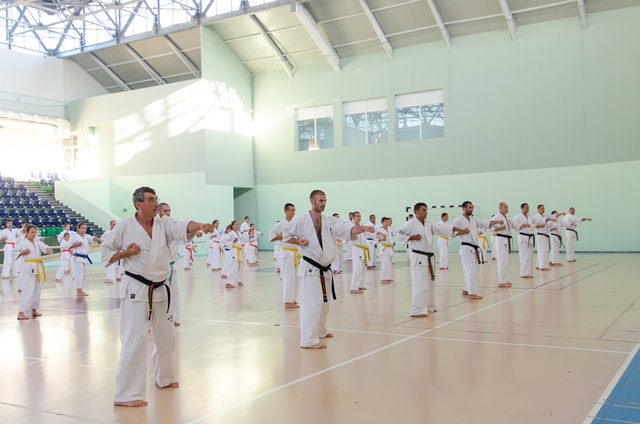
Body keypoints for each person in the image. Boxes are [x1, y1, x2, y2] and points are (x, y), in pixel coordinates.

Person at [100, 186, 213, 407]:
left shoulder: (163, 223)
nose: (155, 204)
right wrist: (127, 253)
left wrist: (200, 225)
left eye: (156, 200)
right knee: (135, 340)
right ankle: (126, 394)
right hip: (136, 288)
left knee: (166, 337)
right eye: (151, 200)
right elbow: (105, 252)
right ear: (138, 204)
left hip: (161, 287)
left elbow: (182, 227)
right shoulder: (124, 226)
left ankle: (165, 377)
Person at [284, 190, 373, 349]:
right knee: (313, 303)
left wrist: (363, 228)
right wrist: (298, 242)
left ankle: (320, 331)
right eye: (320, 201)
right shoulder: (301, 220)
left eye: (325, 201)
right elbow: (286, 235)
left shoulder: (330, 221)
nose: (323, 204)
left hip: (325, 268)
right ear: (312, 201)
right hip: (310, 267)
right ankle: (308, 340)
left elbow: (348, 230)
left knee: (325, 303)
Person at [397, 203, 454, 316]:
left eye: (426, 210)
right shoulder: (410, 223)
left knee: (430, 284)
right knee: (420, 284)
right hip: (418, 256)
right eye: (423, 210)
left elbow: (441, 229)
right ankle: (417, 310)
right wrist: (412, 237)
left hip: (429, 256)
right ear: (416, 212)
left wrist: (456, 230)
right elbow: (399, 236)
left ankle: (429, 307)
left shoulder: (429, 224)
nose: (426, 212)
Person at [451, 201, 502, 300]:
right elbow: (451, 232)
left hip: (473, 247)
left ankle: (466, 289)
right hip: (466, 248)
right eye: (469, 208)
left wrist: (497, 221)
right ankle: (472, 293)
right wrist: (463, 231)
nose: (471, 209)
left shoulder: (473, 219)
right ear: (464, 208)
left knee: (470, 270)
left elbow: (485, 223)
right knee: (472, 271)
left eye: (472, 208)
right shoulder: (458, 220)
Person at [14, 224, 53, 320]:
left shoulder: (37, 241)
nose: (34, 234)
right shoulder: (22, 243)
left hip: (37, 266)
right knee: (27, 290)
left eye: (35, 232)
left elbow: (44, 246)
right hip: (28, 267)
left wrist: (48, 249)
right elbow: (13, 252)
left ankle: (34, 309)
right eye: (32, 232)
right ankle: (21, 312)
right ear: (26, 232)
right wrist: (22, 253)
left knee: (37, 290)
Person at [157, 202, 186, 327]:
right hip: (157, 267)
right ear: (158, 212)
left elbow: (183, 237)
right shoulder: (154, 227)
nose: (168, 213)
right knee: (156, 295)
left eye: (169, 211)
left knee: (174, 293)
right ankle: (151, 322)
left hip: (172, 266)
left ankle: (174, 317)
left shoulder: (175, 225)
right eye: (165, 211)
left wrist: (195, 232)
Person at [269, 203, 300, 308]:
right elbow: (271, 237)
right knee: (288, 277)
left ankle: (293, 299)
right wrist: (283, 237)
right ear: (286, 211)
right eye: (291, 210)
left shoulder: (296, 223)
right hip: (287, 253)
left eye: (294, 210)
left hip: (296, 253)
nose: (293, 212)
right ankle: (287, 301)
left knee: (295, 278)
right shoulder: (281, 224)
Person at [69, 223, 102, 297]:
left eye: (85, 228)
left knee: (84, 275)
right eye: (82, 228)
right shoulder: (74, 237)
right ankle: (79, 290)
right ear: (78, 229)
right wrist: (77, 245)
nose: (84, 230)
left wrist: (99, 239)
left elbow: (92, 238)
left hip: (85, 258)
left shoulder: (86, 236)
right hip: (78, 258)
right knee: (79, 274)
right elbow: (68, 246)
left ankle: (81, 289)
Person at [491, 202, 516, 288]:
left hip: (507, 239)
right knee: (502, 260)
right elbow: (489, 228)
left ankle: (504, 279)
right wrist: (499, 228)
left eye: (507, 207)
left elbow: (514, 226)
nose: (507, 209)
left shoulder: (508, 217)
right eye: (505, 207)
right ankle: (501, 281)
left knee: (507, 261)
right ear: (500, 208)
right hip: (501, 239)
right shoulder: (496, 217)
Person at [513, 203, 536, 279]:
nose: (528, 209)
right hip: (523, 237)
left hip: (529, 237)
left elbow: (535, 223)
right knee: (524, 256)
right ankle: (524, 273)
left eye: (528, 207)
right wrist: (523, 225)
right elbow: (514, 226)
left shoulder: (530, 216)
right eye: (526, 207)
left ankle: (529, 273)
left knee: (530, 256)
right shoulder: (517, 217)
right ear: (522, 208)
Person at [222, 220, 247, 288]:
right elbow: (225, 243)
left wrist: (250, 235)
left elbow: (246, 239)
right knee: (233, 267)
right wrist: (233, 241)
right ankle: (228, 283)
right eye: (236, 224)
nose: (237, 226)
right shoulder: (230, 233)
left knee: (240, 267)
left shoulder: (238, 233)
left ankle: (239, 281)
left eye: (238, 224)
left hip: (239, 251)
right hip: (234, 251)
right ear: (232, 226)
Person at [350, 211, 370, 293]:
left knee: (363, 268)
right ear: (353, 217)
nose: (359, 217)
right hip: (357, 249)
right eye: (357, 216)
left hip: (363, 249)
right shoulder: (351, 227)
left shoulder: (362, 226)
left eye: (360, 216)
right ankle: (354, 287)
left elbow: (368, 235)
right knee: (357, 268)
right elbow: (347, 237)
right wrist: (352, 236)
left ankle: (360, 285)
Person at [533, 205, 557, 271]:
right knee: (543, 252)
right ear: (538, 209)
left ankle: (538, 265)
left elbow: (551, 216)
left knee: (541, 251)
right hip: (541, 235)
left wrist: (560, 214)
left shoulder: (544, 215)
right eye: (542, 208)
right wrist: (541, 226)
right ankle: (542, 266)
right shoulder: (536, 217)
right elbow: (534, 226)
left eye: (544, 208)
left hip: (544, 236)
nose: (543, 209)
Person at [377, 217, 395, 283]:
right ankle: (383, 278)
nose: (387, 223)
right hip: (384, 248)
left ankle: (389, 277)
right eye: (386, 222)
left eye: (388, 222)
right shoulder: (379, 230)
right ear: (382, 223)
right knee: (385, 263)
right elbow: (375, 239)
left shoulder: (390, 230)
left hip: (390, 248)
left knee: (390, 264)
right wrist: (381, 239)